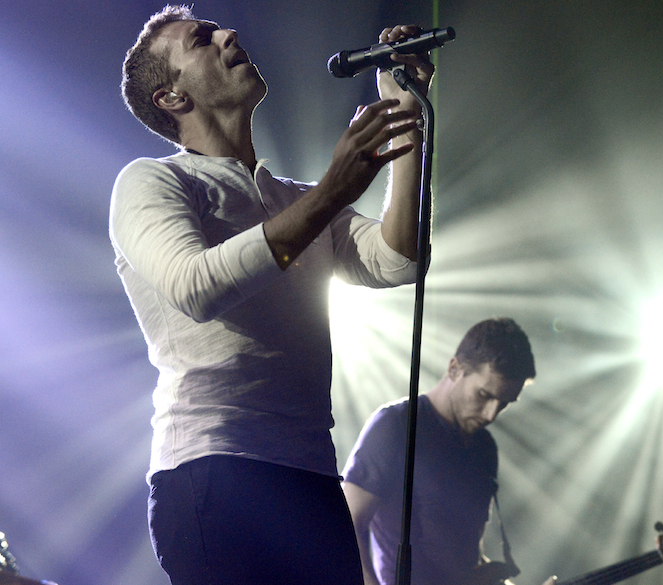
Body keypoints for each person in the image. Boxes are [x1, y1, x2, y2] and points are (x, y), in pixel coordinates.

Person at [109, 5, 433, 585]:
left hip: (310, 473)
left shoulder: (296, 198)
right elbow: (195, 285)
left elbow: (397, 259)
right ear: (172, 98)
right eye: (202, 40)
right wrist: (333, 189)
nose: (229, 35)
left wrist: (404, 113)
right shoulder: (153, 181)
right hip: (214, 465)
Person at [342, 318, 542, 585]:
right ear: (454, 369)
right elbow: (346, 521)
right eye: (484, 395)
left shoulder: (485, 448)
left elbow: (469, 555)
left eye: (504, 403)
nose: (491, 414)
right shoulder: (397, 425)